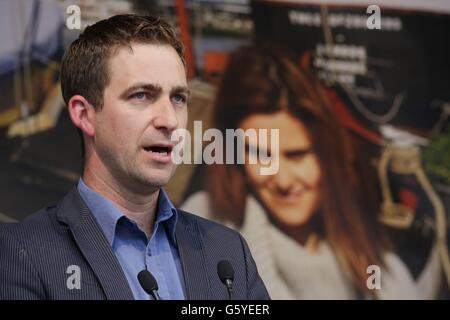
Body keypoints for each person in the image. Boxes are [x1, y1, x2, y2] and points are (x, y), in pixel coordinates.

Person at [0, 15, 269, 300]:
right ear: (84, 114)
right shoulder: (23, 254)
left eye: (178, 98)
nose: (169, 120)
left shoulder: (227, 252)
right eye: (141, 95)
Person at [182, 44, 443, 299]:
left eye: (297, 155)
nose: (283, 180)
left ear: (326, 152)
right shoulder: (202, 229)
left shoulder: (378, 264)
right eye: (261, 155)